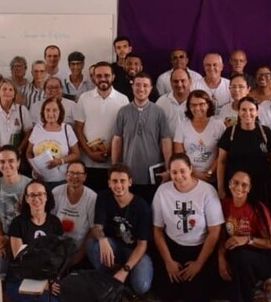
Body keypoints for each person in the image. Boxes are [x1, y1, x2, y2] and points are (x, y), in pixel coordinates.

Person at [152, 153, 223, 302]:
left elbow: (214, 232)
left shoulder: (207, 191)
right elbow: (157, 230)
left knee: (197, 299)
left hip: (199, 248)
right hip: (173, 247)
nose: (179, 176)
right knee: (167, 295)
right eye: (174, 172)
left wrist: (199, 263)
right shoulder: (162, 192)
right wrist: (168, 261)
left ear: (190, 169)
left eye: (182, 171)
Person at [219, 170, 271, 302]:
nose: (239, 187)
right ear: (229, 184)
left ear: (249, 188)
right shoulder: (224, 205)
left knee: (240, 256)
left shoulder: (257, 208)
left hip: (264, 256)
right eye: (235, 183)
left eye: (244, 185)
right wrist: (221, 259)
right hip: (236, 254)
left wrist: (247, 239)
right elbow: (221, 237)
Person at [88, 163, 153, 296]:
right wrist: (102, 240)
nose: (118, 185)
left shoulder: (141, 206)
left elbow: (142, 245)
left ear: (130, 182)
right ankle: (109, 279)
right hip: (114, 247)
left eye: (122, 181)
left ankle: (123, 277)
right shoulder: (103, 197)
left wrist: (125, 270)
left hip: (135, 251)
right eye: (114, 181)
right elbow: (96, 227)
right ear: (109, 183)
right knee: (92, 244)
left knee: (141, 286)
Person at [7, 179, 65, 302]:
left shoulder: (55, 222)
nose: (36, 199)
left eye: (40, 194)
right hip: (20, 280)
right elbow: (20, 261)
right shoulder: (18, 223)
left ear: (46, 197)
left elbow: (59, 257)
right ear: (26, 199)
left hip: (49, 279)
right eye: (32, 195)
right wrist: (43, 284)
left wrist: (51, 281)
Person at [111, 73, 172, 203]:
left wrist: (168, 169)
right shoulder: (123, 112)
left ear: (151, 88)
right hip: (128, 174)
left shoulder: (159, 112)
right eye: (138, 85)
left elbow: (166, 141)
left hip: (152, 175)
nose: (141, 89)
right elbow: (117, 140)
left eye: (145, 85)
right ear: (132, 87)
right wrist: (114, 168)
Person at [74, 62, 129, 192]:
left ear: (113, 77)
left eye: (106, 75)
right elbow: (78, 128)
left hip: (112, 162)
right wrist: (89, 153)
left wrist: (109, 151)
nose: (103, 79)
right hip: (88, 162)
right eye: (99, 76)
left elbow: (124, 131)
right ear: (93, 78)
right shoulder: (84, 98)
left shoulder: (123, 100)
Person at [216, 96, 271, 207]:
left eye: (251, 110)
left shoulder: (266, 133)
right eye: (244, 110)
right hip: (236, 189)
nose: (247, 113)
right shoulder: (230, 133)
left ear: (257, 112)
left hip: (261, 190)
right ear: (239, 112)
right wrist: (220, 188)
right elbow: (221, 162)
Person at [0, 145, 31, 277]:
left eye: (11, 161)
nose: (6, 165)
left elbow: (33, 219)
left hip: (26, 235)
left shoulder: (29, 185)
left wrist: (10, 238)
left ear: (18, 162)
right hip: (5, 234)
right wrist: (0, 238)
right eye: (2, 162)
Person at [0, 79, 33, 181]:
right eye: (4, 89)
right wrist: (2, 153)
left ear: (14, 93)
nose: (7, 92)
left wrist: (18, 150)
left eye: (11, 89)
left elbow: (28, 133)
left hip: (18, 156)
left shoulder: (22, 110)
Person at [27, 96, 80, 189]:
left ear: (60, 112)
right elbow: (28, 152)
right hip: (39, 181)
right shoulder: (37, 128)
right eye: (47, 110)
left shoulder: (67, 129)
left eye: (54, 110)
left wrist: (60, 161)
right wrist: (34, 168)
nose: (51, 113)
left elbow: (76, 154)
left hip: (60, 181)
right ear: (43, 112)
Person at [173, 90, 225, 183]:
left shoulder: (219, 126)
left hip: (213, 177)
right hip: (188, 176)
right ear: (189, 107)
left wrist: (210, 172)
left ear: (208, 105)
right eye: (193, 105)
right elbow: (179, 155)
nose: (197, 108)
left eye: (201, 104)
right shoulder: (182, 126)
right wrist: (195, 173)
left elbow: (222, 155)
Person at [52, 161, 97, 267]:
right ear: (66, 175)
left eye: (79, 174)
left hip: (79, 248)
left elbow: (92, 230)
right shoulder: (56, 192)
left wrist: (78, 257)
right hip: (57, 247)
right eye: (71, 173)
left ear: (85, 177)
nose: (75, 177)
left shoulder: (92, 197)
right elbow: (49, 222)